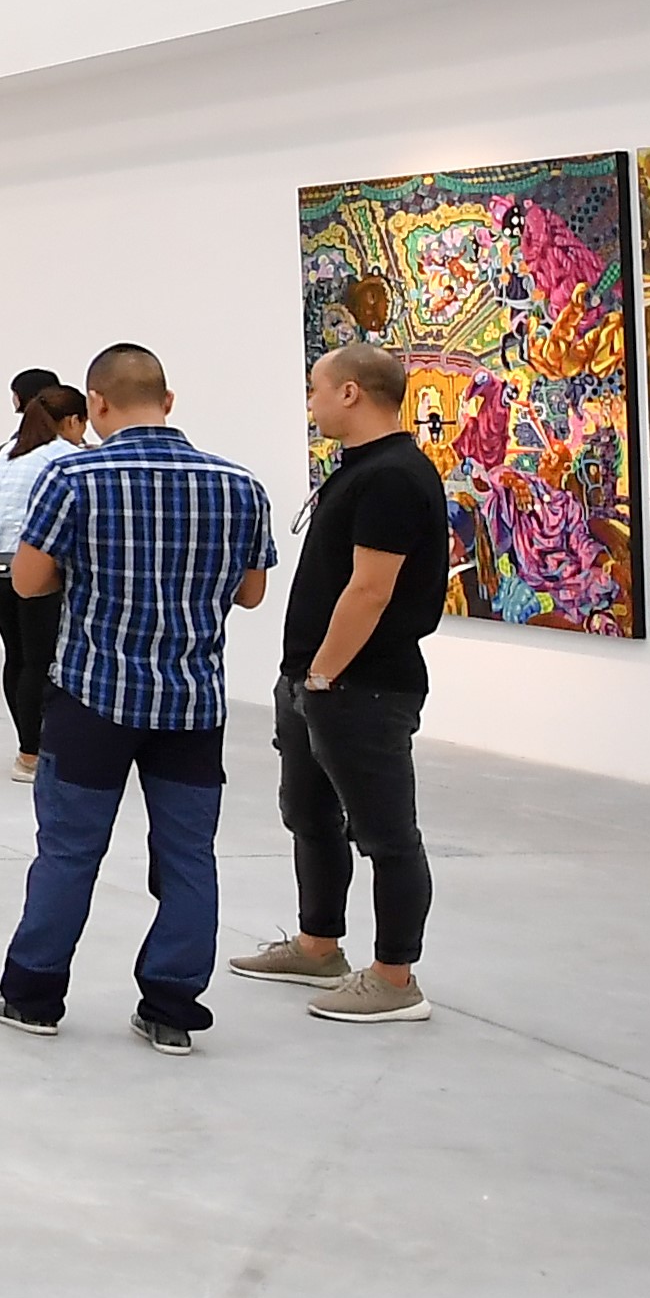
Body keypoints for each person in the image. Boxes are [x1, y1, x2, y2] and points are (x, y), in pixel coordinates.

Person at [0, 342, 277, 1051]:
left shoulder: (72, 475)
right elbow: (251, 593)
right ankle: (171, 1009)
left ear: (97, 403)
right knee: (188, 856)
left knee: (69, 852)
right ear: (168, 401)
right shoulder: (240, 484)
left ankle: (33, 997)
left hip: (93, 697)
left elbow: (27, 582)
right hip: (193, 704)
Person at [230, 345, 451, 1025]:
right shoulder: (359, 470)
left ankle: (393, 977)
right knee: (309, 815)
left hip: (363, 687)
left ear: (350, 392)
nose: (311, 402)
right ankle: (317, 944)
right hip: (316, 680)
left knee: (385, 833)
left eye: (315, 389)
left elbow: (370, 590)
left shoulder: (392, 477)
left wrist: (324, 675)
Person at [0, 377, 87, 777]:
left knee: (17, 655)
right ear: (72, 421)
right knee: (41, 659)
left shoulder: (4, 452)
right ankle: (33, 753)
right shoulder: (63, 456)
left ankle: (27, 747)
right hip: (32, 565)